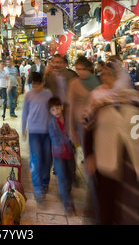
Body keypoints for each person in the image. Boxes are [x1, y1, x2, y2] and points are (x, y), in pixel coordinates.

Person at [83, 60, 139, 224]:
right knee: (107, 204)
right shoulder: (99, 99)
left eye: (110, 75)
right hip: (107, 160)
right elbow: (88, 128)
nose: (106, 78)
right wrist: (89, 154)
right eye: (104, 75)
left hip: (133, 161)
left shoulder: (134, 99)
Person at [22, 72, 53, 201]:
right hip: (34, 131)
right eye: (33, 84)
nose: (35, 87)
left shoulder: (48, 94)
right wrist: (23, 128)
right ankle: (37, 186)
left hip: (47, 131)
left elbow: (52, 111)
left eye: (37, 84)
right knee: (36, 159)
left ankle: (45, 182)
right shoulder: (28, 95)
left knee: (47, 158)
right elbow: (25, 112)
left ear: (43, 83)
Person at [48, 96, 76, 215]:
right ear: (50, 111)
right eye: (53, 110)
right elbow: (55, 138)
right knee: (63, 177)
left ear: (62, 107)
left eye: (58, 109)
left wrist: (74, 138)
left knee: (70, 176)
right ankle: (68, 203)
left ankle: (66, 193)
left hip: (70, 153)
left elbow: (75, 131)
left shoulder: (68, 120)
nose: (56, 112)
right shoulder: (51, 124)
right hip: (58, 154)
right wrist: (68, 138)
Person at [68, 55, 100, 149]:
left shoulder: (96, 80)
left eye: (82, 69)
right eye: (77, 69)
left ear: (88, 68)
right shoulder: (74, 83)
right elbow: (71, 107)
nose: (79, 72)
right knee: (87, 150)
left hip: (97, 121)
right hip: (82, 122)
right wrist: (71, 128)